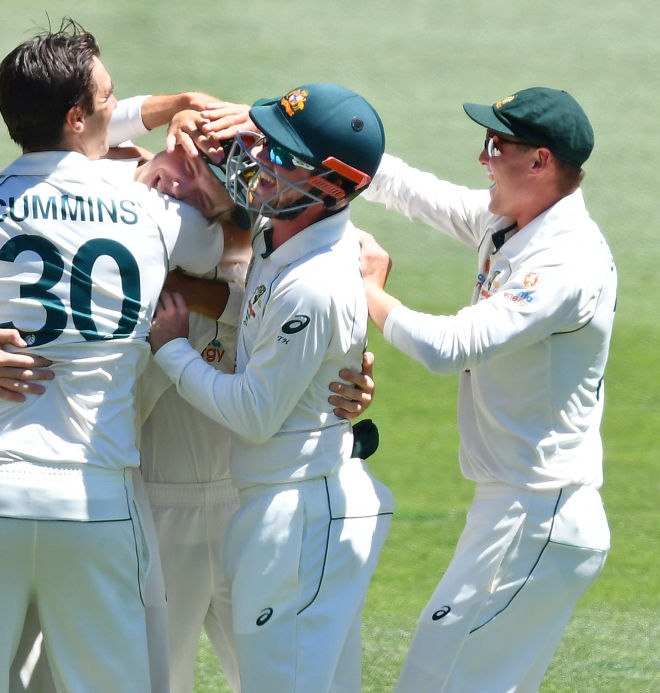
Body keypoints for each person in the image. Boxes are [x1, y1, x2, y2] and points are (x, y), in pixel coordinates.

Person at [0, 21, 224, 693]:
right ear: (77, 116)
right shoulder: (157, 216)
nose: (118, 105)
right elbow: (226, 267)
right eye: (109, 96)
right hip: (95, 499)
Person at [358, 86, 615, 692]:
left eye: (496, 145)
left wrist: (367, 287)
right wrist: (321, 144)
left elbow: (449, 348)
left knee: (431, 681)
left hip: (535, 515)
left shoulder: (564, 262)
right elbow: (411, 190)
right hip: (523, 511)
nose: (483, 158)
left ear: (540, 162)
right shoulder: (511, 219)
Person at [148, 83, 395, 693]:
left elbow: (256, 413)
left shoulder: (312, 279)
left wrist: (172, 345)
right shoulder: (276, 233)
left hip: (297, 511)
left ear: (328, 187)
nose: (261, 162)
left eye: (282, 156)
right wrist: (183, 113)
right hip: (279, 504)